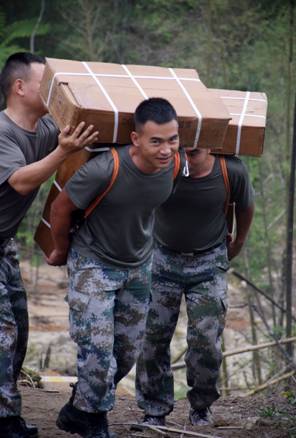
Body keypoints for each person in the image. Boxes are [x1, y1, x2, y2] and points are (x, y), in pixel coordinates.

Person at [47, 97, 182, 438]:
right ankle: (95, 422)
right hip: (93, 262)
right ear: (136, 139)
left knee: (126, 352)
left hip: (138, 266)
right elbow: (61, 209)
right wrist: (61, 249)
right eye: (156, 141)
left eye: (172, 139)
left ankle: (79, 408)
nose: (166, 149)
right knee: (97, 349)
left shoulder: (175, 165)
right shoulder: (106, 168)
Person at [0, 52, 99, 438]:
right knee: (3, 332)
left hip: (4, 244)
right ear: (19, 87)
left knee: (19, 330)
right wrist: (63, 150)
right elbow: (21, 182)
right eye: (46, 84)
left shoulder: (43, 128)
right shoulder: (3, 131)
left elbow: (77, 131)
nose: (53, 91)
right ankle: (5, 421)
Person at [135, 147, 254, 427]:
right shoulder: (162, 164)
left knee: (205, 341)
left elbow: (246, 206)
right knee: (153, 338)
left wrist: (237, 242)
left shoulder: (230, 170)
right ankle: (154, 408)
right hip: (162, 260)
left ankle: (201, 406)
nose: (190, 147)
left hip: (209, 263)